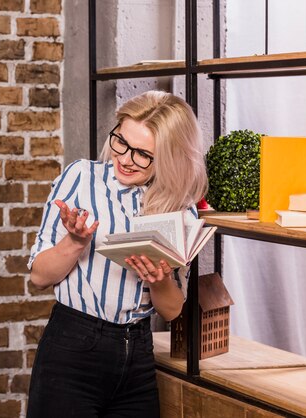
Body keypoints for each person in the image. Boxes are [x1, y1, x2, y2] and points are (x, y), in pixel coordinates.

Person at [26, 90, 208, 417]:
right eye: (120, 142)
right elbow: (39, 277)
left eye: (142, 154)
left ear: (169, 157)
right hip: (73, 351)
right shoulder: (81, 178)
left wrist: (160, 280)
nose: (124, 158)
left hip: (137, 355)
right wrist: (76, 242)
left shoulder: (180, 210)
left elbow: (170, 310)